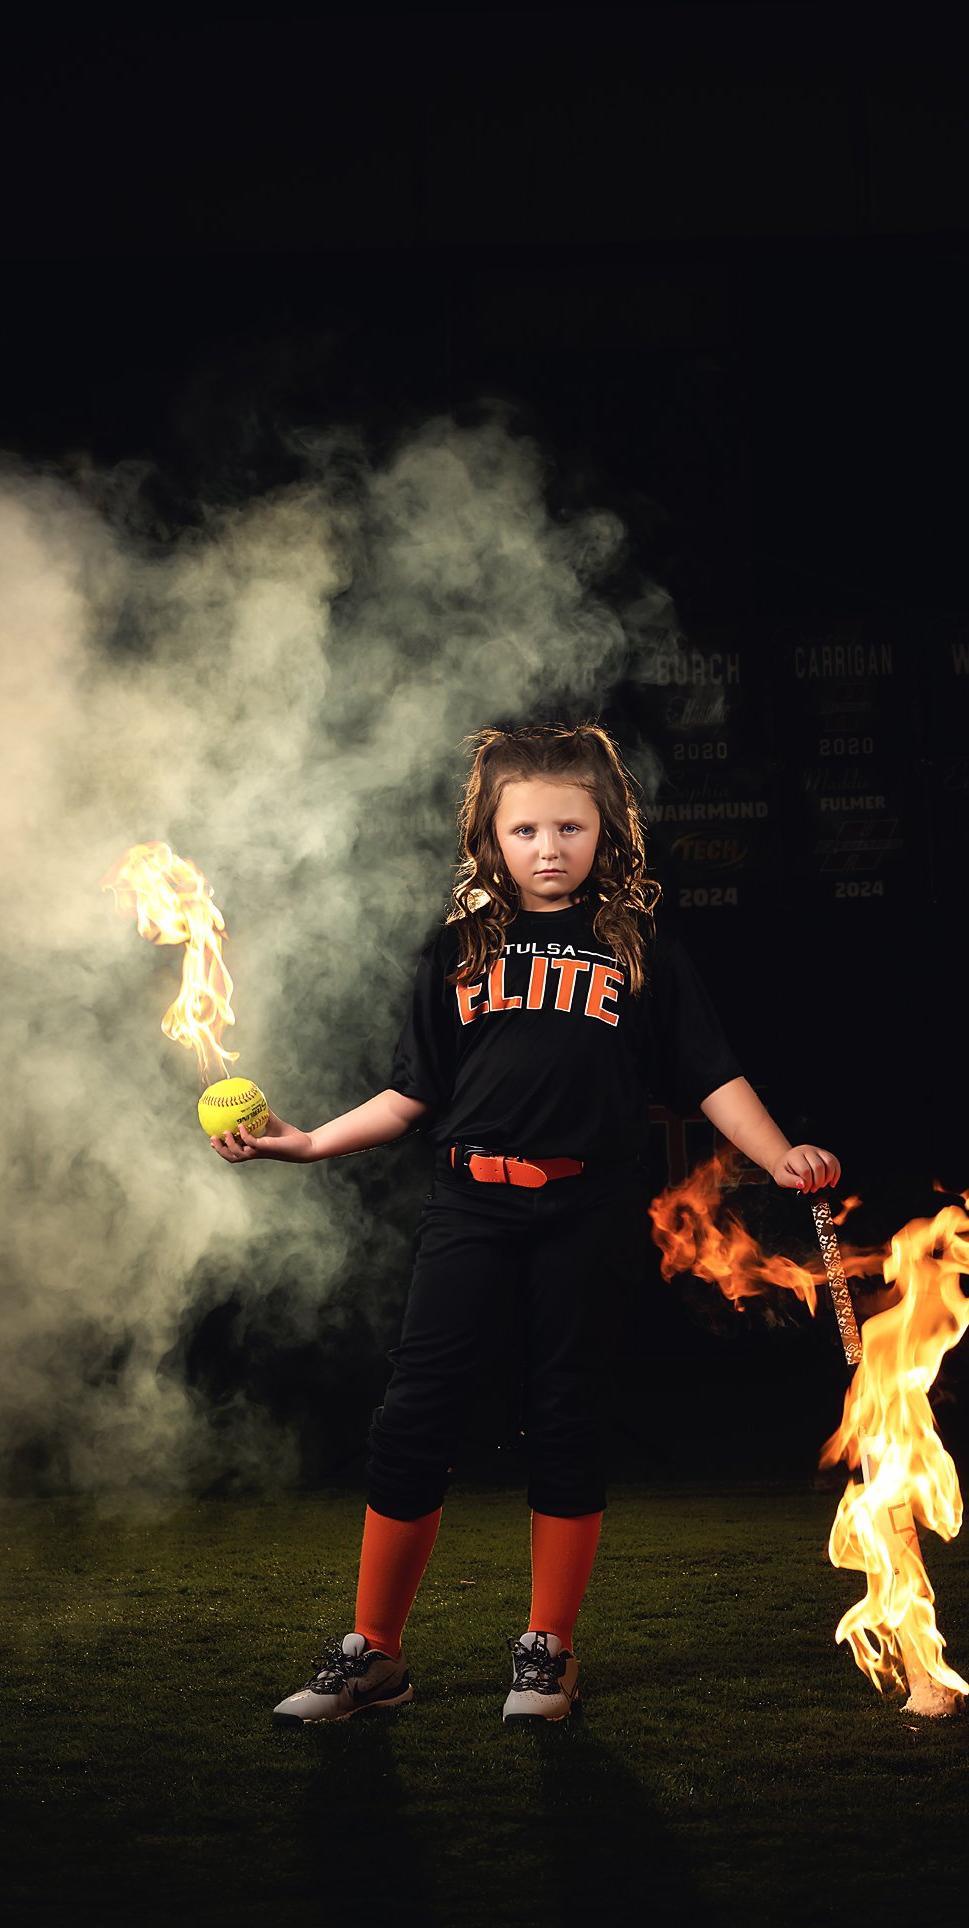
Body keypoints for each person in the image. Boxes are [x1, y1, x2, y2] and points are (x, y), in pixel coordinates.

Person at [211, 722, 840, 1726]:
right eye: (525, 830)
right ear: (489, 839)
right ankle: (375, 1653)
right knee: (414, 1416)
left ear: (607, 832)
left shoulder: (640, 948)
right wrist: (309, 1141)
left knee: (565, 1416)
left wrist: (777, 1154)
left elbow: (711, 1076)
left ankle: (547, 1650)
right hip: (470, 1204)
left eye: (570, 827)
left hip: (587, 1208)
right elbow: (411, 1095)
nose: (548, 848)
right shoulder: (457, 949)